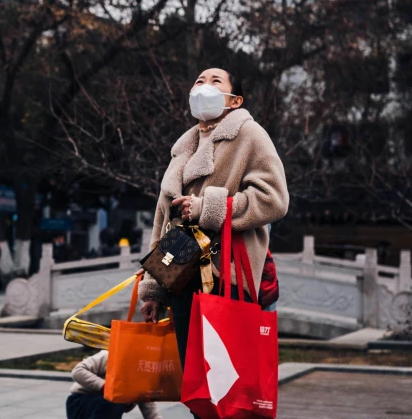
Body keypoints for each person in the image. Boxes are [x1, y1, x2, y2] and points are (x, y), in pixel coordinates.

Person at [138, 68, 289, 417]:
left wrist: (208, 207)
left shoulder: (249, 134)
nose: (204, 86)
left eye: (215, 82)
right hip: (181, 277)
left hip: (224, 279)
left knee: (225, 388)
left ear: (234, 100)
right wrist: (154, 290)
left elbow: (275, 199)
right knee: (198, 389)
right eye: (198, 81)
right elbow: (163, 221)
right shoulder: (184, 146)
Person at [67, 350, 162, 419]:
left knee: (115, 400)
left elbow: (151, 413)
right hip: (80, 402)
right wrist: (105, 387)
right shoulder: (110, 356)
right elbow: (77, 371)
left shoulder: (142, 375)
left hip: (104, 409)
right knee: (115, 398)